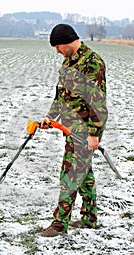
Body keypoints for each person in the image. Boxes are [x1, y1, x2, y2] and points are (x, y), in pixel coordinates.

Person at [40, 24, 108, 237]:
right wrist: (50, 117)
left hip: (83, 131)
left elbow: (98, 103)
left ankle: (60, 224)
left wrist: (94, 134)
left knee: (69, 175)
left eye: (58, 47)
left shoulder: (92, 63)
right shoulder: (68, 62)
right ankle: (89, 218)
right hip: (69, 129)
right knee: (83, 174)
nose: (57, 51)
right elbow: (61, 96)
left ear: (68, 41)